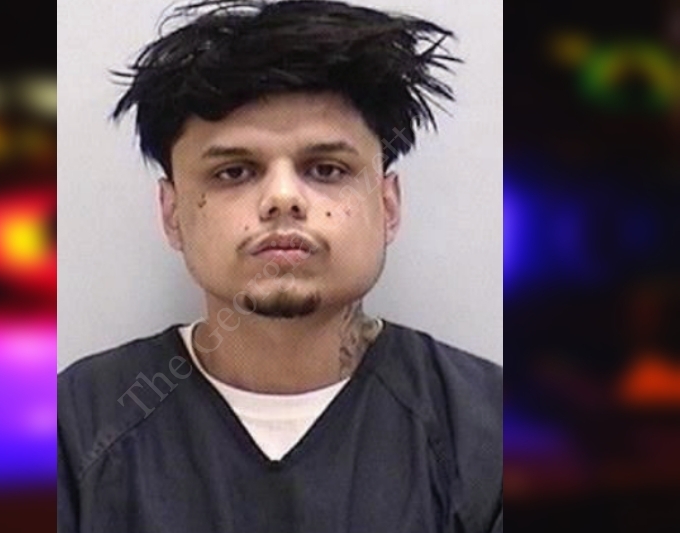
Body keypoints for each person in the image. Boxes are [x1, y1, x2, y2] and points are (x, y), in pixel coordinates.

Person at [58, 1, 502, 531]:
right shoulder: (76, 429)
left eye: (327, 169)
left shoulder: (489, 430)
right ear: (172, 213)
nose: (283, 198)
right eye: (234, 171)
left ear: (388, 206)